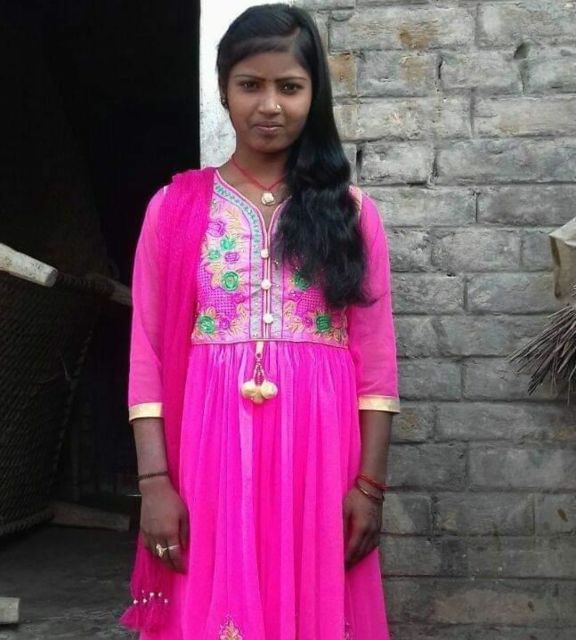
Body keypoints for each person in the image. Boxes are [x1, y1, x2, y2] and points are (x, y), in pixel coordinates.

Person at [121, 4, 400, 639]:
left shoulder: (352, 214)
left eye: (290, 87)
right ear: (223, 90)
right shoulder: (174, 208)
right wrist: (155, 482)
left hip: (321, 451)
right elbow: (146, 355)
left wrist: (370, 486)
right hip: (209, 449)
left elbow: (377, 363)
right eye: (251, 84)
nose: (270, 105)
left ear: (313, 95)